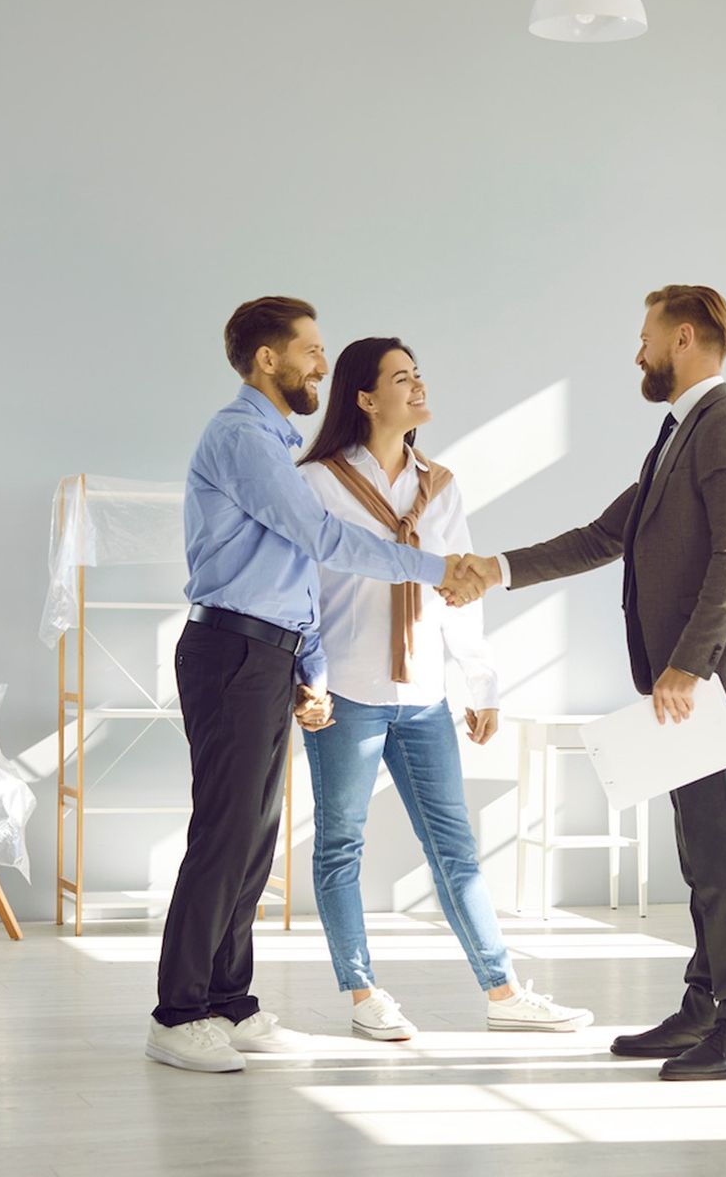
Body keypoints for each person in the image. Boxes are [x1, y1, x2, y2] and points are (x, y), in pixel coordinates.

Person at [147, 298, 483, 1074]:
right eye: (310, 351)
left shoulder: (271, 439)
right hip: (230, 649)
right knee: (224, 836)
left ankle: (231, 1003)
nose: (321, 366)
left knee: (256, 840)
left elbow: (293, 576)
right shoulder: (242, 438)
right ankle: (177, 1014)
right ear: (268, 360)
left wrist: (308, 667)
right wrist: (436, 569)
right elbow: (320, 539)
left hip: (266, 653)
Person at [460, 285, 726, 1081]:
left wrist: (688, 663)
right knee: (700, 847)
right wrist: (495, 571)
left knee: (719, 851)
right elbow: (607, 535)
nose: (636, 353)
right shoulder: (680, 435)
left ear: (682, 338)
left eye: (644, 338)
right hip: (690, 680)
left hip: (714, 677)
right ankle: (706, 1009)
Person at [296, 337, 593, 1039]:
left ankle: (504, 990)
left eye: (419, 374)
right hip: (348, 690)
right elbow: (301, 593)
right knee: (341, 844)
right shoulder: (318, 483)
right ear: (365, 399)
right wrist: (305, 681)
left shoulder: (442, 486)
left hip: (424, 692)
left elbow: (460, 586)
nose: (419, 386)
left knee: (454, 849)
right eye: (403, 378)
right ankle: (365, 994)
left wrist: (481, 681)